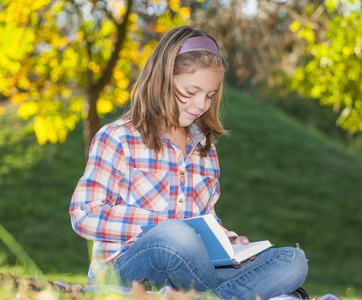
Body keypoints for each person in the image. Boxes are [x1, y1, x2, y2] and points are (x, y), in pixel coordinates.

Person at [70, 25, 308, 300]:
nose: (200, 104)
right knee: (175, 236)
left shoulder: (204, 150)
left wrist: (226, 239)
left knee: (292, 261)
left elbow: (206, 219)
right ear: (162, 79)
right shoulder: (118, 137)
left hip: (192, 273)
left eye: (210, 95)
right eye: (191, 91)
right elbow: (84, 213)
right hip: (128, 270)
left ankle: (208, 298)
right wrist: (165, 225)